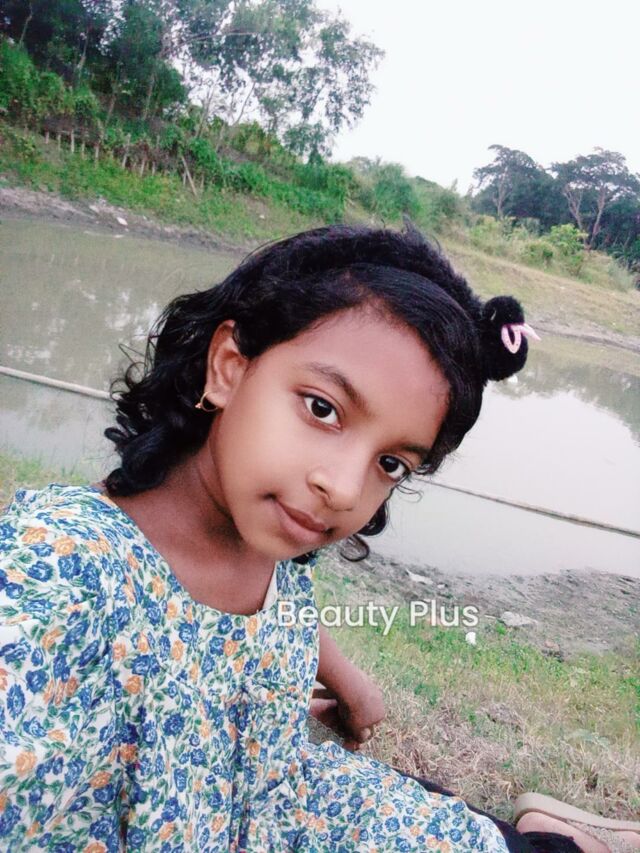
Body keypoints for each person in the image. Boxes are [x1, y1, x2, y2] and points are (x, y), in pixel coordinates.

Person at [0, 223, 623, 852]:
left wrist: (342, 676)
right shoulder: (58, 571)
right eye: (323, 409)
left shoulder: (274, 533)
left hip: (281, 798)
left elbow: (255, 608)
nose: (345, 489)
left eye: (391, 463)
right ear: (228, 367)